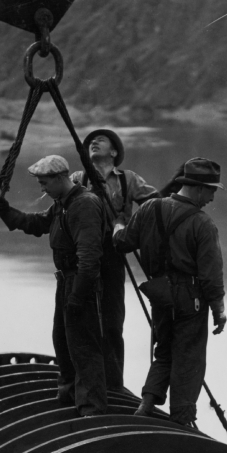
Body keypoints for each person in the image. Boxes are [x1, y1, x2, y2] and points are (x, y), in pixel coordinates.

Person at [113, 157, 227, 427]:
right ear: (198, 188)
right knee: (189, 358)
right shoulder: (204, 224)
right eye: (211, 190)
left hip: (160, 295)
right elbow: (211, 275)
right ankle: (183, 420)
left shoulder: (150, 208)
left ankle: (147, 402)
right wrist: (218, 309)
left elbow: (124, 242)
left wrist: (118, 225)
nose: (212, 197)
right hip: (191, 300)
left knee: (164, 351)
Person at [0, 155, 108, 416]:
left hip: (80, 283)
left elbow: (90, 258)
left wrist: (78, 296)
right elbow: (38, 224)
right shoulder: (62, 204)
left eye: (44, 182)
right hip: (66, 281)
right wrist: (6, 212)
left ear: (60, 178)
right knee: (63, 340)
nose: (41, 188)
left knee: (83, 345)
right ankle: (69, 397)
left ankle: (92, 410)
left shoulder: (84, 205)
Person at [72, 129, 159, 391]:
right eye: (90, 142)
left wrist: (128, 225)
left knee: (112, 321)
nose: (93, 142)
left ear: (114, 152)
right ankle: (85, 384)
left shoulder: (128, 179)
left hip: (113, 254)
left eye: (101, 140)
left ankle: (112, 385)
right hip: (83, 254)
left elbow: (156, 204)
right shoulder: (78, 178)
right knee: (80, 320)